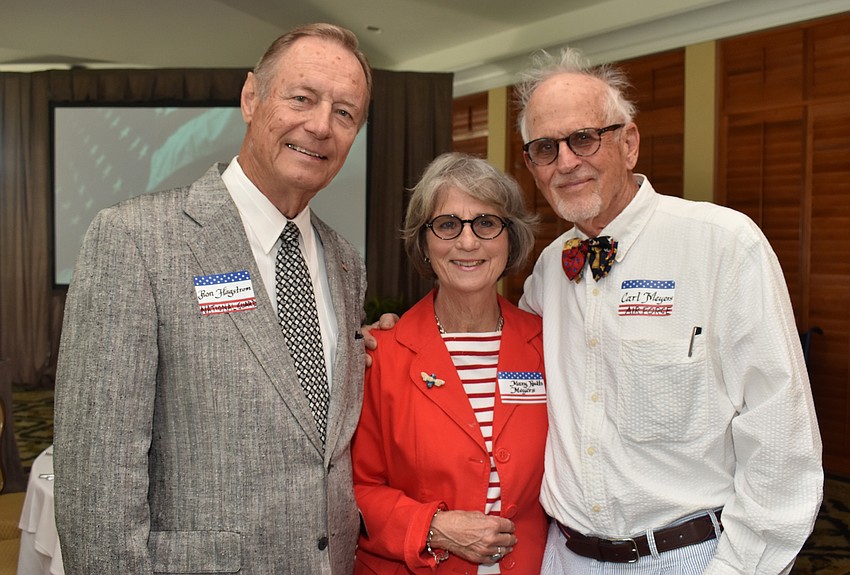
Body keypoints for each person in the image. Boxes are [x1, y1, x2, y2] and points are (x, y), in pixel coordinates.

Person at [53, 23, 371, 574]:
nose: (320, 125)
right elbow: (96, 483)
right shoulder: (135, 238)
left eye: (345, 113)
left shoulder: (345, 263)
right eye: (302, 98)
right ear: (251, 97)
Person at [515, 48, 823, 573]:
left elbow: (780, 432)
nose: (565, 162)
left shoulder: (723, 245)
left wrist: (739, 567)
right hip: (564, 556)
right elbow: (508, 369)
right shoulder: (550, 268)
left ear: (629, 143)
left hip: (689, 556)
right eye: (545, 148)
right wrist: (400, 343)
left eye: (584, 138)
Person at [352, 152, 549, 574]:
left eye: (486, 223)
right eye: (447, 225)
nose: (467, 242)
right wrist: (435, 527)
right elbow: (356, 488)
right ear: (424, 242)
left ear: (510, 237)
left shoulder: (548, 345)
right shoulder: (381, 355)